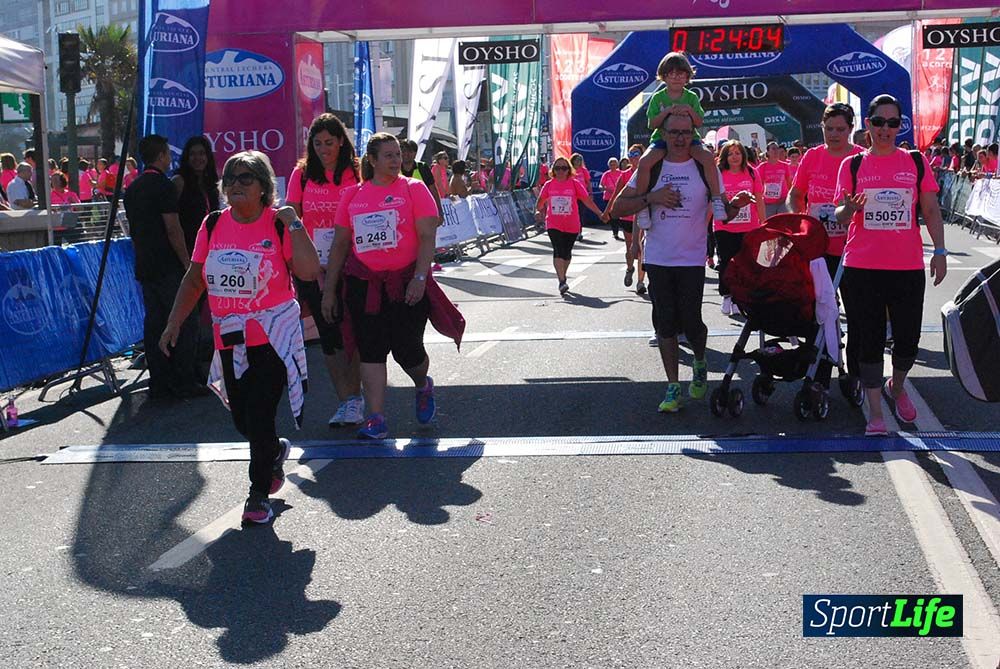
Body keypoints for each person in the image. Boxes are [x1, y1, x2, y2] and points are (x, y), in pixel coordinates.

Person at [160, 150, 321, 524]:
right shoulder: (213, 225)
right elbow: (196, 278)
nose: (235, 184)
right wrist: (173, 322)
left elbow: (310, 272)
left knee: (261, 415)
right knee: (244, 422)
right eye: (230, 178)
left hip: (272, 338)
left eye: (245, 177)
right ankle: (273, 453)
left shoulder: (278, 224)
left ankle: (257, 495)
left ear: (264, 188)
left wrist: (295, 223)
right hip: (229, 337)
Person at [321, 133, 463, 440]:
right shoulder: (352, 195)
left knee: (407, 351)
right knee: (370, 350)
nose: (396, 160)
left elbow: (427, 237)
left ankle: (423, 384)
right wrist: (329, 291)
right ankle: (376, 418)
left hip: (405, 283)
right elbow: (340, 245)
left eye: (397, 154)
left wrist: (420, 278)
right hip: (364, 285)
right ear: (371, 160)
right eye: (388, 155)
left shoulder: (413, 189)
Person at [610, 112, 754, 413]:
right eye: (673, 132)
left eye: (685, 133)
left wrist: (736, 205)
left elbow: (722, 212)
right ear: (663, 132)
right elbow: (618, 207)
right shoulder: (654, 166)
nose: (679, 139)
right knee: (665, 323)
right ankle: (672, 385)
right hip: (659, 258)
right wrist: (653, 197)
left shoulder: (704, 168)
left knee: (691, 321)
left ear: (694, 135)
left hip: (691, 257)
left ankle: (700, 361)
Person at [833, 94, 947, 436]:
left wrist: (939, 252)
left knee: (908, 340)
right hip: (862, 266)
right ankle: (876, 413)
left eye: (893, 123)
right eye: (879, 122)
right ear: (868, 125)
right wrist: (849, 209)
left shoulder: (915, 162)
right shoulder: (852, 165)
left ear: (900, 126)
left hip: (906, 266)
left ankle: (895, 388)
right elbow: (840, 213)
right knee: (867, 339)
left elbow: (929, 210)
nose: (886, 129)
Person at [285, 113, 364, 427]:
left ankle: (355, 395)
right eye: (317, 144)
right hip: (313, 266)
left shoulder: (357, 172)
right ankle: (347, 400)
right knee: (329, 334)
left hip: (355, 264)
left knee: (356, 332)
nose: (323, 149)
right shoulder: (301, 174)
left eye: (329, 142)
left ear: (341, 141)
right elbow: (292, 217)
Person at [787, 102, 864, 389]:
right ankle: (819, 377)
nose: (834, 134)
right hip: (818, 249)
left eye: (840, 129)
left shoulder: (860, 158)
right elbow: (796, 194)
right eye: (829, 128)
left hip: (854, 249)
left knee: (856, 313)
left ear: (851, 129)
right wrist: (798, 219)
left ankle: (855, 373)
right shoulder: (812, 157)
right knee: (818, 311)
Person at [124, 135, 202, 400]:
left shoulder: (132, 189)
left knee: (154, 323)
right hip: (169, 265)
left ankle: (159, 381)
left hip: (146, 264)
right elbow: (173, 228)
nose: (170, 158)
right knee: (184, 320)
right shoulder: (164, 186)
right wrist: (186, 262)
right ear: (161, 156)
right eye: (168, 153)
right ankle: (184, 380)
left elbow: (133, 231)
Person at [633, 52, 726, 222]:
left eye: (681, 74)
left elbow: (698, 122)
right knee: (644, 162)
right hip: (662, 140)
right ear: (664, 76)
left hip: (691, 140)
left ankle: (717, 199)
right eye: (671, 74)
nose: (676, 78)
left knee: (707, 157)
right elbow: (652, 124)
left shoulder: (692, 97)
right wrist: (667, 111)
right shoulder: (657, 98)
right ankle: (642, 206)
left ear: (687, 77)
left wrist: (689, 110)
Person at [535, 156, 609, 295]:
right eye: (557, 168)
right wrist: (538, 211)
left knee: (566, 253)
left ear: (569, 170)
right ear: (553, 170)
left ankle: (563, 275)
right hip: (553, 222)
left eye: (564, 168)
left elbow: (587, 201)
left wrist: (600, 213)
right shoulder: (549, 185)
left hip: (571, 224)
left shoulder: (574, 184)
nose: (561, 171)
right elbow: (540, 201)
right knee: (558, 250)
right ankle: (562, 281)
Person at [714, 140, 765, 316]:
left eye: (738, 153)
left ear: (743, 155)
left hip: (749, 226)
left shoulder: (752, 172)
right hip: (724, 226)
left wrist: (764, 225)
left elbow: (759, 199)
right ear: (724, 156)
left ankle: (739, 298)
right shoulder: (718, 174)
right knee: (726, 262)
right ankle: (727, 294)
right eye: (730, 153)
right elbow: (711, 201)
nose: (734, 157)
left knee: (745, 263)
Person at [606, 144, 646, 291]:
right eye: (631, 154)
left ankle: (640, 282)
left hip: (643, 216)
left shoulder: (648, 172)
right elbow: (616, 196)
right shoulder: (624, 175)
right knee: (630, 246)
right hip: (628, 217)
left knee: (642, 247)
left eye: (636, 154)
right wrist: (606, 212)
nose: (633, 157)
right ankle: (630, 268)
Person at [173, 136, 221, 256]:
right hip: (187, 248)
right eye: (193, 154)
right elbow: (171, 222)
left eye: (202, 153)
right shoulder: (179, 181)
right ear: (187, 158)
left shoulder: (211, 184)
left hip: (211, 247)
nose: (197, 158)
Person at [760, 141, 793, 218]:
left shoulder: (785, 166)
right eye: (773, 149)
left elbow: (789, 183)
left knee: (784, 223)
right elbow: (759, 185)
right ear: (768, 152)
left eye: (777, 149)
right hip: (768, 203)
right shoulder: (762, 167)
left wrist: (789, 197)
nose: (776, 151)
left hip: (783, 201)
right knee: (770, 225)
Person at [600, 157, 624, 240]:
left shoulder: (621, 173)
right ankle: (615, 232)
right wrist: (606, 188)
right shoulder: (606, 174)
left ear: (617, 165)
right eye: (611, 164)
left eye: (614, 164)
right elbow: (601, 185)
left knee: (616, 214)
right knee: (612, 215)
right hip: (608, 198)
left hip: (618, 197)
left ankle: (618, 230)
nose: (612, 165)